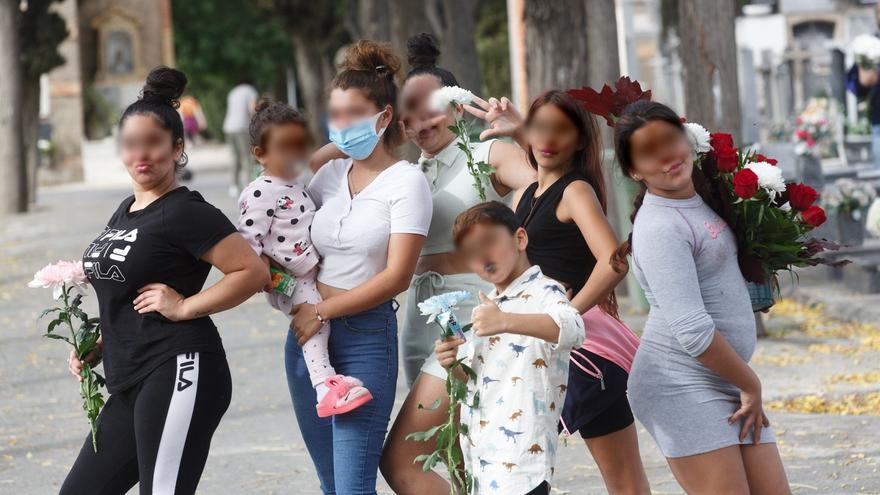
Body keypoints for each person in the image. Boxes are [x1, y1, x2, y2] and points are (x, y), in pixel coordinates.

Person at [60, 67, 269, 495]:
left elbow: (253, 271)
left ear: (177, 148)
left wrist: (186, 306)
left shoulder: (185, 211)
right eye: (131, 145)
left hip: (179, 367)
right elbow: (125, 285)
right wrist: (101, 344)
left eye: (153, 144)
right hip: (129, 377)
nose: (142, 155)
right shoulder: (125, 210)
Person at [378, 33, 535, 495]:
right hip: (420, 314)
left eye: (430, 107)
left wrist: (521, 133)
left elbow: (541, 192)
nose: (420, 121)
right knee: (454, 451)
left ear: (456, 107)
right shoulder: (407, 174)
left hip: (471, 314)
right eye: (408, 113)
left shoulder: (488, 153)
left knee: (404, 460)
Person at [613, 100, 790, 494]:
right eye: (648, 152)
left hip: (725, 378)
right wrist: (751, 384)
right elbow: (692, 331)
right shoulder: (659, 227)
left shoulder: (700, 200)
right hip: (679, 384)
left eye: (669, 140)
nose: (666, 156)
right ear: (633, 170)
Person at [285, 40, 432, 494]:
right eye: (335, 114)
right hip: (307, 342)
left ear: (384, 116)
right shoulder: (329, 176)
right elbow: (292, 185)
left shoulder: (407, 182)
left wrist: (324, 312)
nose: (342, 124)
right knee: (331, 484)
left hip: (364, 339)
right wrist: (336, 148)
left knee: (352, 486)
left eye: (353, 113)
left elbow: (397, 277)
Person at [503, 90, 651, 494]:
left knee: (624, 480)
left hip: (584, 350)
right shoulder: (525, 194)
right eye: (540, 128)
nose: (548, 139)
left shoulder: (575, 192)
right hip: (538, 347)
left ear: (580, 140)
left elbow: (614, 260)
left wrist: (566, 312)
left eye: (561, 130)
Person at [434, 201, 584, 495]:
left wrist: (505, 321)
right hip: (483, 457)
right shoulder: (488, 304)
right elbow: (479, 380)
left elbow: (574, 329)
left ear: (520, 239)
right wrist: (453, 364)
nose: (484, 257)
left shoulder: (545, 291)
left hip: (522, 460)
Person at [237, 99, 372, 416]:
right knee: (315, 322)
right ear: (260, 154)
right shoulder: (261, 191)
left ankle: (328, 381)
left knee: (319, 322)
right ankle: (324, 387)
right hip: (289, 278)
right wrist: (268, 277)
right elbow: (247, 240)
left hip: (305, 273)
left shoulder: (292, 183)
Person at [223, 76, 259, 196]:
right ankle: (249, 185)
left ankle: (233, 186)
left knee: (235, 157)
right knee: (247, 157)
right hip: (242, 127)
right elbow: (252, 109)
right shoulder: (251, 90)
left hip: (228, 127)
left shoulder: (233, 92)